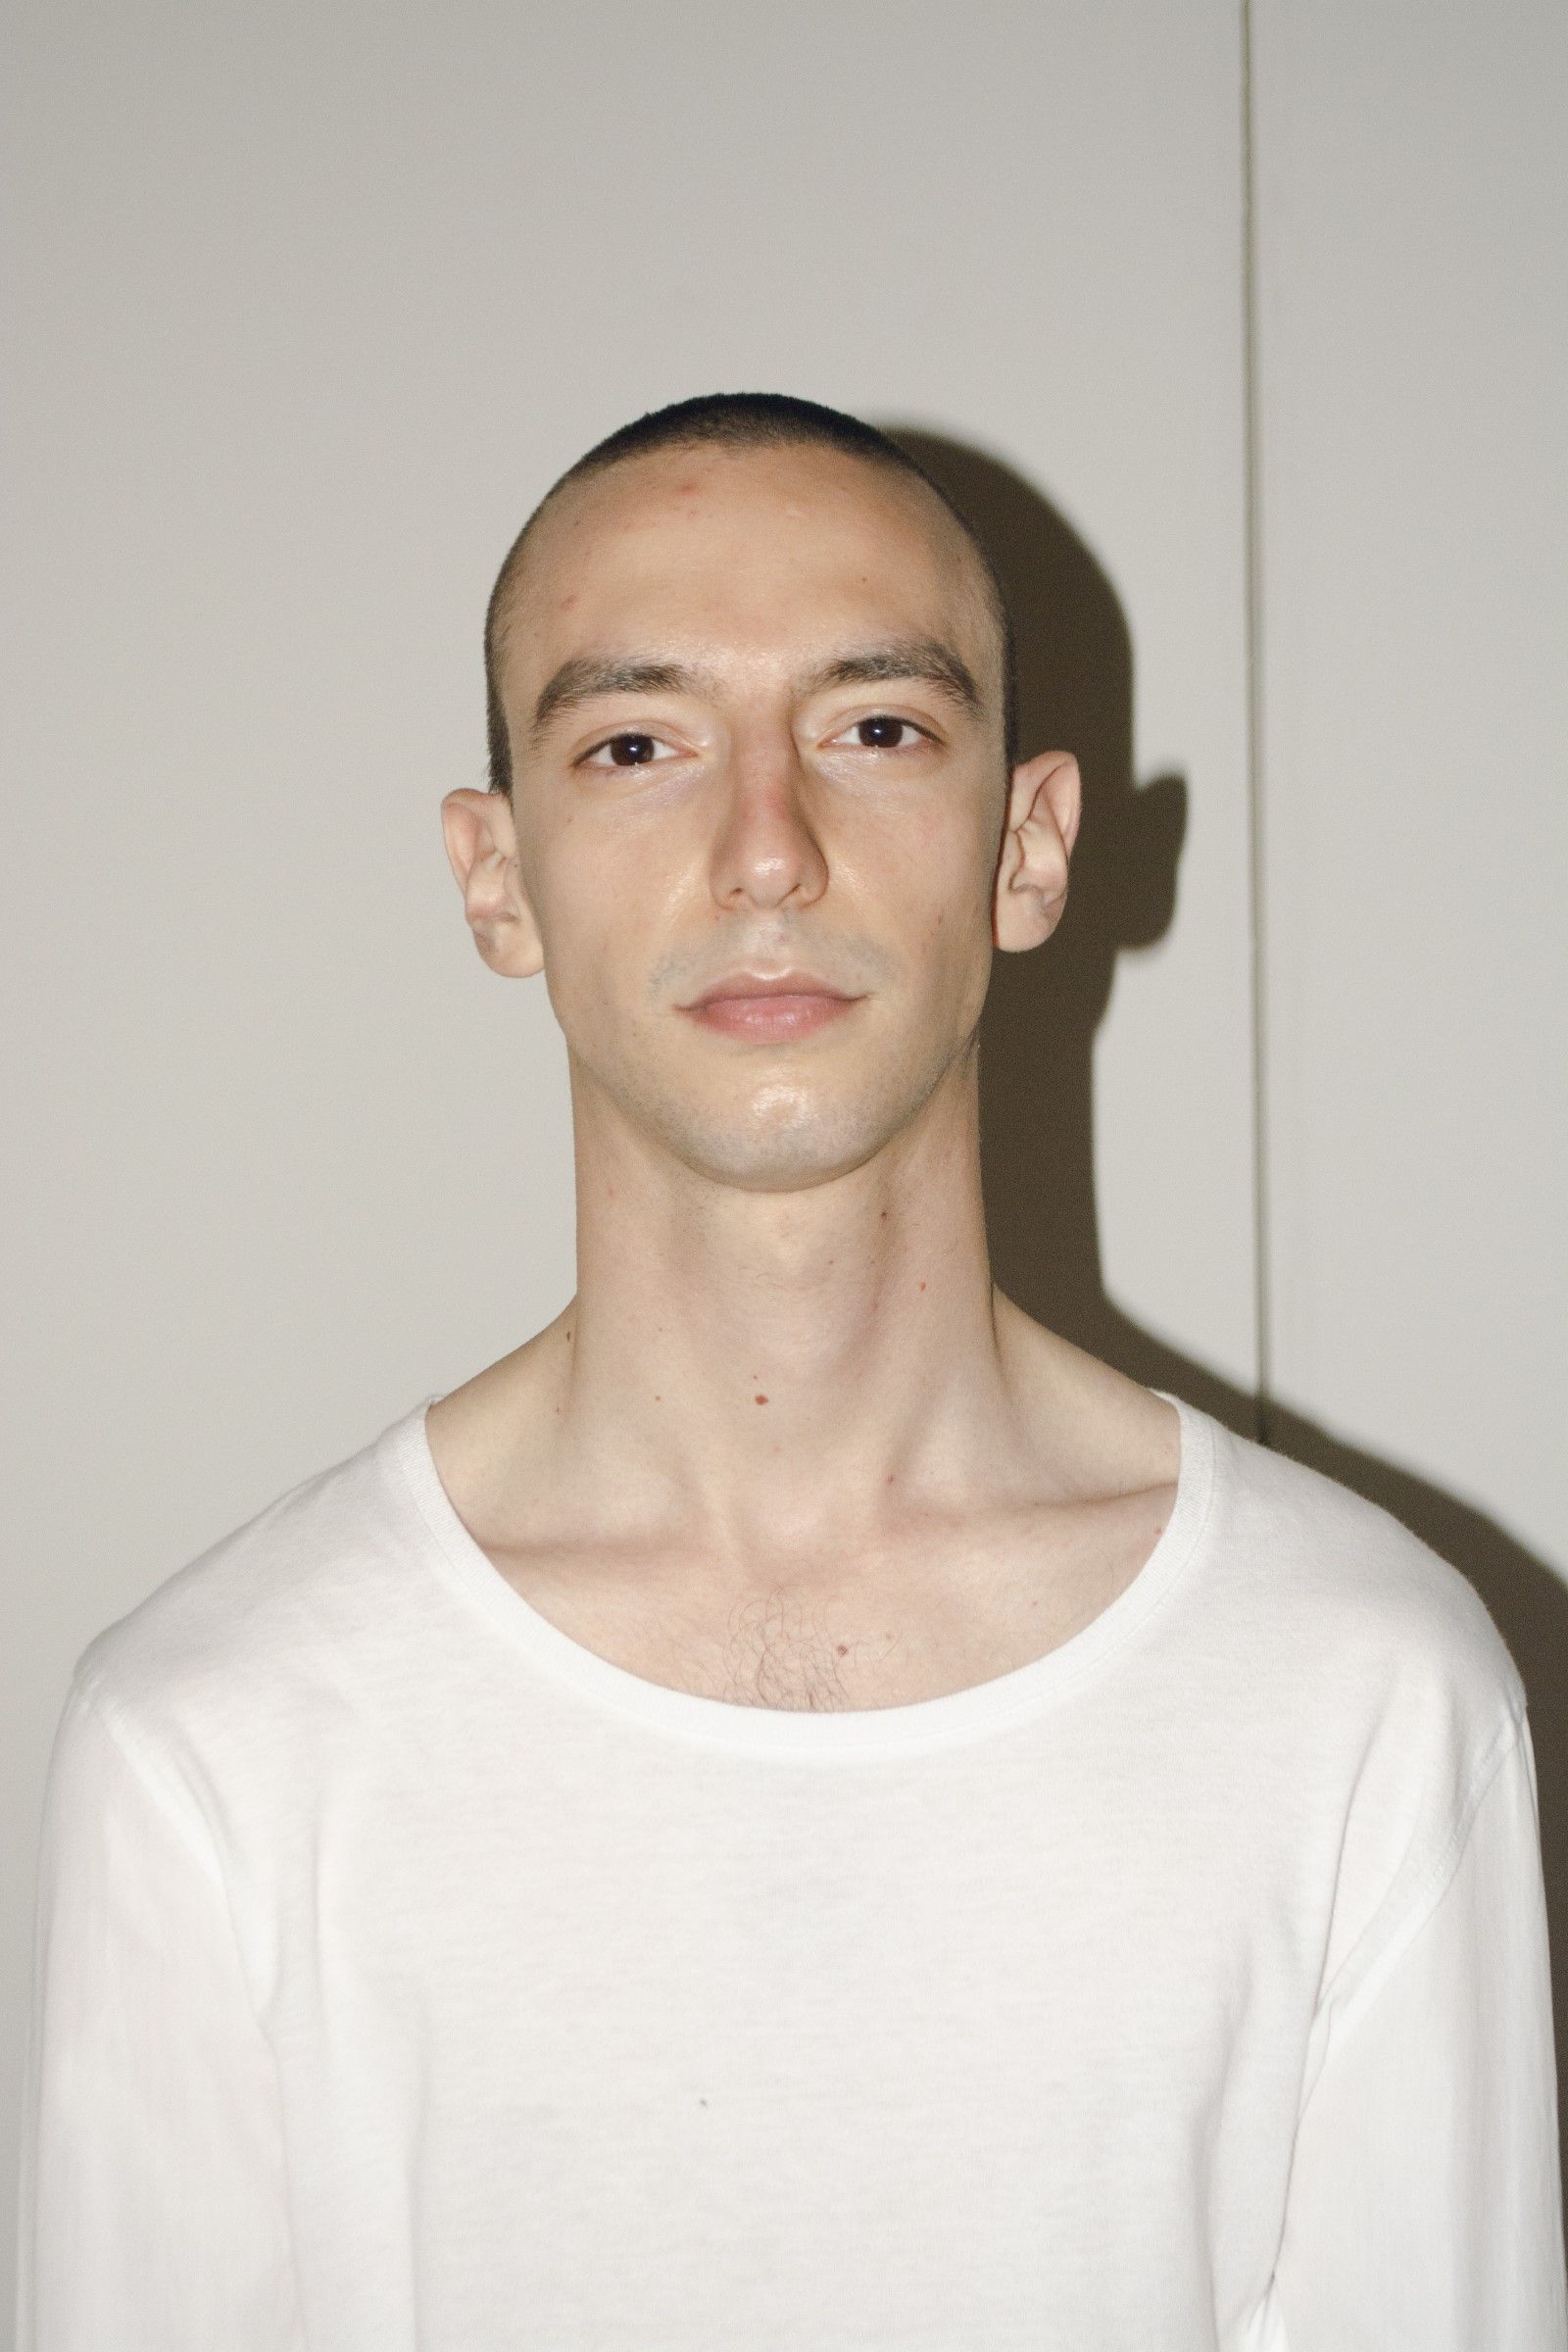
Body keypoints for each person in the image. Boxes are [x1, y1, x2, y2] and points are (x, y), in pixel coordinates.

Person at [15, 392, 1566, 2351]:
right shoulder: (214, 1740)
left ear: (1026, 847)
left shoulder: (1365, 1693)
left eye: (875, 729)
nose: (766, 852)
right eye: (636, 745)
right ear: (497, 877)